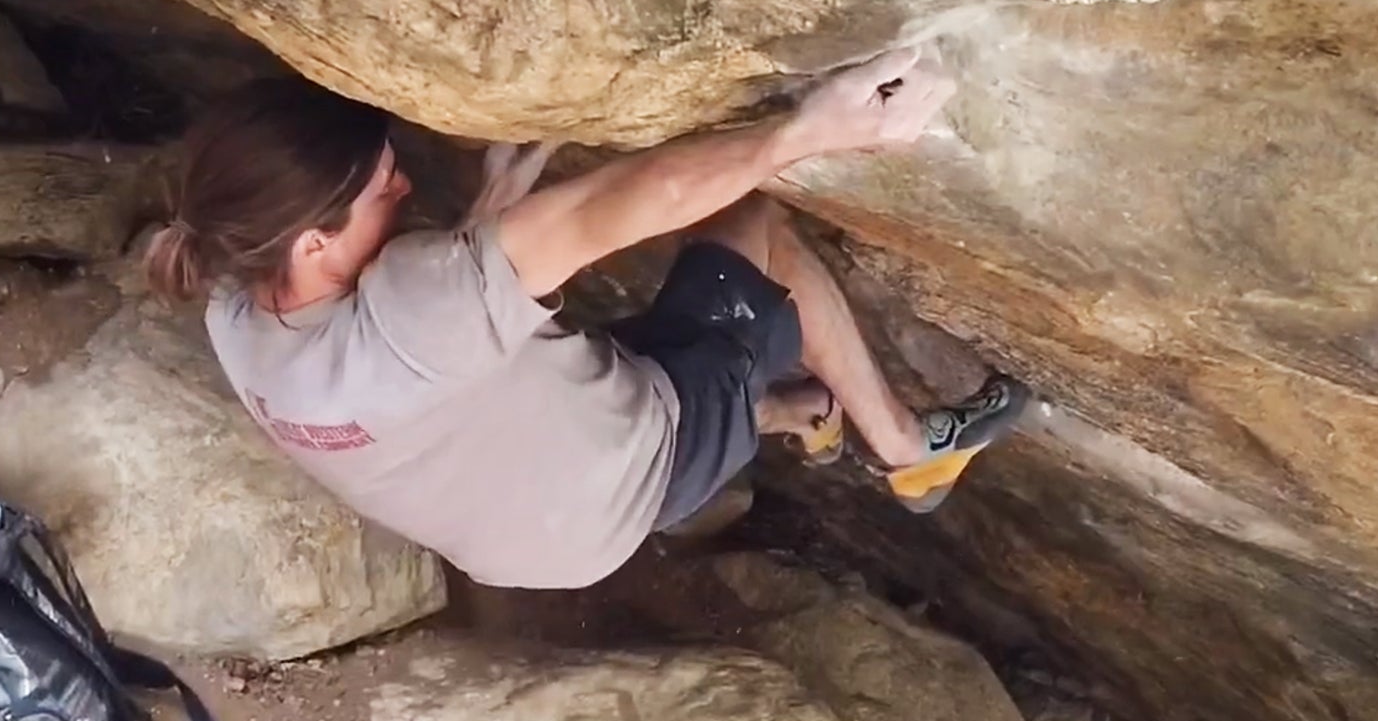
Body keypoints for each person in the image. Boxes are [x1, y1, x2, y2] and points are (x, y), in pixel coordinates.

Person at [144, 48, 1033, 591]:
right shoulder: (419, 309)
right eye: (386, 187)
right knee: (754, 227)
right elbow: (624, 204)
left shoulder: (234, 311)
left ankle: (799, 412)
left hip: (510, 525)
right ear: (312, 243)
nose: (405, 183)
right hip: (630, 481)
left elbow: (422, 351)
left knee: (572, 352)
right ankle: (910, 451)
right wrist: (807, 133)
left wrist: (479, 236)